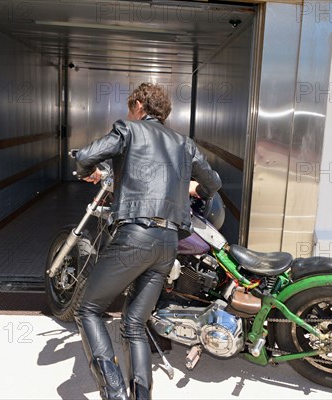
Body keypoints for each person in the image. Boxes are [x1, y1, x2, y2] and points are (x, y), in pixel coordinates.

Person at [73, 83, 221, 400]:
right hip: (168, 243)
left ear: (139, 106)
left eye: (130, 109)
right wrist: (198, 191)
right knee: (134, 325)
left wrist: (84, 170)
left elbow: (87, 154)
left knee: (88, 310)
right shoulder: (184, 143)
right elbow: (214, 182)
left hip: (135, 236)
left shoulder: (129, 130)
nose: (129, 114)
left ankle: (114, 393)